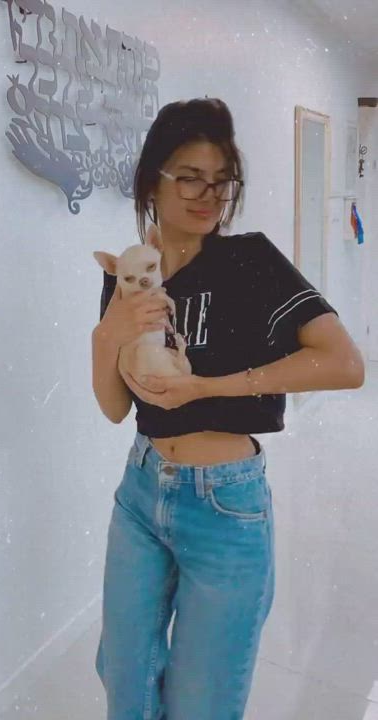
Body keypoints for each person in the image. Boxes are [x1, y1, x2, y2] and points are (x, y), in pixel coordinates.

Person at [92, 98, 364, 719]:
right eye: (189, 177)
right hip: (140, 491)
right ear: (151, 181)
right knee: (126, 683)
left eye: (221, 181)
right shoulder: (130, 274)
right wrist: (106, 334)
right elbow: (113, 407)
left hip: (225, 503)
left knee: (203, 702)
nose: (208, 196)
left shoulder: (251, 261)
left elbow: (345, 364)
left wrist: (209, 387)